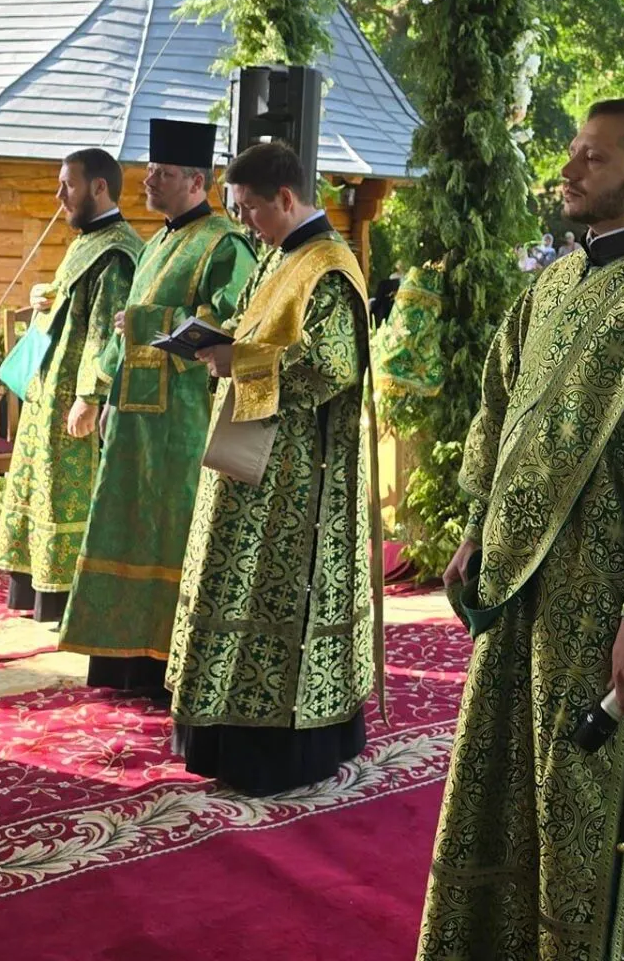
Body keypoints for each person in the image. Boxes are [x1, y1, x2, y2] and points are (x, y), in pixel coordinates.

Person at [418, 99, 624, 961]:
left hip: (606, 610)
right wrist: (477, 528)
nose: (567, 171)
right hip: (521, 593)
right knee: (507, 795)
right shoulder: (550, 286)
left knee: (588, 813)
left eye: (592, 159)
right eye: (572, 154)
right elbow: (499, 413)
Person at [167, 141, 378, 792]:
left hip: (297, 482)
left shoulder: (329, 268)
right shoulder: (279, 255)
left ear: (286, 198)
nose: (245, 222)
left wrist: (241, 361)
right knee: (229, 584)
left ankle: (276, 752)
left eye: (250, 209)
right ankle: (222, 735)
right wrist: (214, 338)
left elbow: (330, 367)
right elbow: (252, 324)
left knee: (271, 599)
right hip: (250, 452)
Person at [59, 119, 258, 700]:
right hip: (132, 420)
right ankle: (124, 658)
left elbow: (233, 319)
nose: (147, 180)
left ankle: (171, 663)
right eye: (149, 170)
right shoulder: (157, 243)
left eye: (163, 173)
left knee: (172, 533)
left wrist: (154, 322)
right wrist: (97, 391)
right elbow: (122, 329)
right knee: (124, 527)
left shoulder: (225, 244)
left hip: (183, 423)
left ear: (196, 181)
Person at [0, 148, 144, 621]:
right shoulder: (87, 241)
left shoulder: (117, 252)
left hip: (73, 398)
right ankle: (34, 588)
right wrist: (46, 296)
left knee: (66, 494)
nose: (59, 195)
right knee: (41, 486)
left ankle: (65, 599)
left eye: (68, 185)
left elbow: (104, 331)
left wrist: (88, 398)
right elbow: (74, 307)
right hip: (49, 390)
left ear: (99, 187)